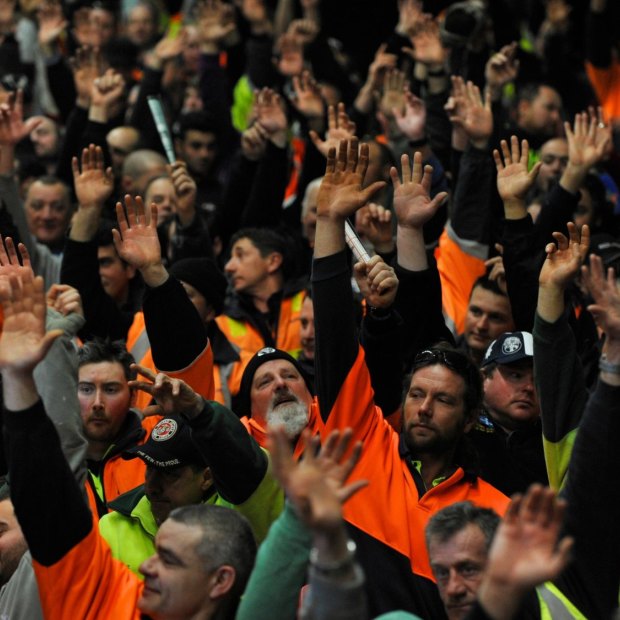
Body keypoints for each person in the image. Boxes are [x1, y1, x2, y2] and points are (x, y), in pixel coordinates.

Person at [0, 271, 257, 619]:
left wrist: (156, 276)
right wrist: (23, 376)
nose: (145, 565)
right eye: (85, 389)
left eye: (167, 558)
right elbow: (54, 481)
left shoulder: (160, 440)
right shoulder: (119, 585)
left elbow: (188, 367)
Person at [98, 364, 282, 575]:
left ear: (207, 477)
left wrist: (200, 412)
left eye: (170, 474)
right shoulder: (112, 528)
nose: (152, 487)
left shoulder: (242, 517)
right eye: (150, 468)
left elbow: (249, 467)